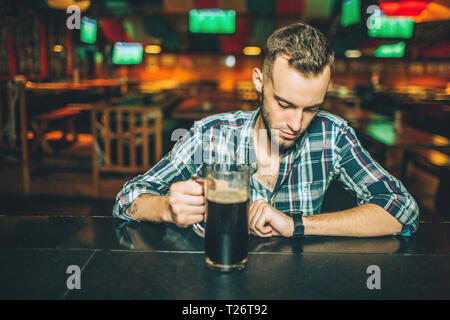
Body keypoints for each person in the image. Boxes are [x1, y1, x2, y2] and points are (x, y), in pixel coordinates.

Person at [113, 22, 419, 238]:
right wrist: (166, 207)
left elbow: (401, 208)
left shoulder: (332, 135)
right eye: (284, 104)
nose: (296, 124)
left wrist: (297, 225)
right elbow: (127, 199)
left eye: (311, 108)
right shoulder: (212, 134)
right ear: (259, 81)